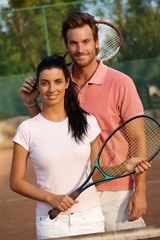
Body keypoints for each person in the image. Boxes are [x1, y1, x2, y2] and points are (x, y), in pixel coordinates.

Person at [19, 12, 151, 231]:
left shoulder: (121, 83)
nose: (80, 49)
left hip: (116, 192)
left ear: (97, 43)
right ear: (66, 45)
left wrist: (141, 190)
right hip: (77, 195)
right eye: (73, 43)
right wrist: (32, 104)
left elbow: (137, 137)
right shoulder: (59, 81)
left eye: (86, 42)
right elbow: (48, 131)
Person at [10, 54, 105, 239]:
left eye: (58, 81)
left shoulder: (88, 122)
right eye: (45, 83)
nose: (52, 89)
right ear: (38, 86)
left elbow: (98, 172)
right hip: (50, 223)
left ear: (67, 83)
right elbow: (15, 181)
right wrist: (51, 198)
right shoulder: (27, 129)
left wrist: (127, 166)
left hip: (90, 219)